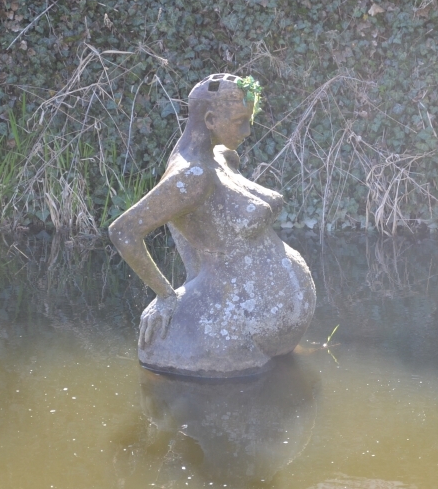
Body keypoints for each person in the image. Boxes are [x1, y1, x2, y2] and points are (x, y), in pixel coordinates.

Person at [109, 74, 315, 377]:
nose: (247, 131)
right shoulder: (191, 175)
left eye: (249, 120)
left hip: (267, 320)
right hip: (243, 319)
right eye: (239, 121)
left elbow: (181, 222)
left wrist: (193, 274)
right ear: (209, 119)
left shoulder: (220, 157)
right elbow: (123, 232)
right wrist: (166, 295)